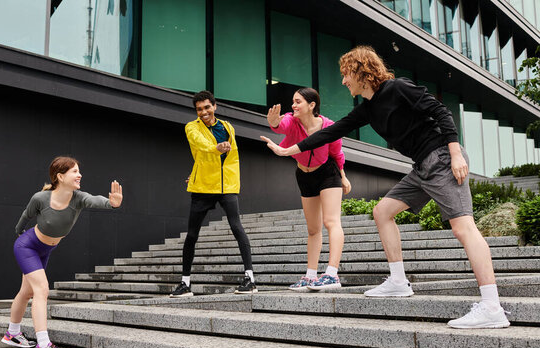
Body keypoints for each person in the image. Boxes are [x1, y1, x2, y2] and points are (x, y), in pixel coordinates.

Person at [261, 46, 510, 329]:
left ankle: (492, 307)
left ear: (360, 71)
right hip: (421, 167)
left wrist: (454, 153)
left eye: (346, 74)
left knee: (463, 227)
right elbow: (331, 131)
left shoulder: (397, 88)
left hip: (441, 158)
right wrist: (288, 150)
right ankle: (398, 280)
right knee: (382, 212)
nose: (344, 81)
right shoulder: (368, 108)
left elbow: (440, 111)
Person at [2, 156, 123, 348]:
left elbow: (95, 200)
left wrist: (112, 204)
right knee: (42, 289)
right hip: (28, 246)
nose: (79, 175)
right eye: (74, 171)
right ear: (60, 176)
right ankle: (43, 346)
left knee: (26, 292)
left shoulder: (78, 198)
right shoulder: (40, 198)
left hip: (45, 250)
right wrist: (19, 232)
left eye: (78, 171)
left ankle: (12, 334)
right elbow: (26, 215)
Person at [170, 91, 256, 297]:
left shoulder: (227, 127)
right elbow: (200, 144)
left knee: (237, 227)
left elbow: (232, 157)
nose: (204, 112)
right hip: (203, 187)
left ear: (214, 106)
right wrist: (216, 148)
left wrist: (232, 179)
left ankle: (250, 279)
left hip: (227, 186)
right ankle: (185, 283)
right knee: (192, 234)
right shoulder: (191, 127)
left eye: (207, 107)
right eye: (199, 109)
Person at [267, 88, 351, 291]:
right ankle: (310, 276)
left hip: (328, 173)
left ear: (311, 105)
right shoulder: (291, 120)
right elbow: (281, 126)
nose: (293, 105)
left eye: (298, 102)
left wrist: (343, 177)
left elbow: (336, 153)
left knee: (331, 221)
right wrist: (274, 122)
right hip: (304, 175)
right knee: (313, 229)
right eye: (293, 102)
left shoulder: (328, 126)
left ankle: (332, 274)